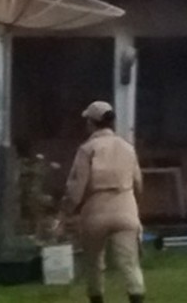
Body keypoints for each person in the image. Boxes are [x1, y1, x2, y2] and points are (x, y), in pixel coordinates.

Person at [63, 101, 145, 303]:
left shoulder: (87, 149)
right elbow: (138, 182)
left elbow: (76, 187)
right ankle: (136, 296)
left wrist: (66, 210)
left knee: (94, 263)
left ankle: (97, 297)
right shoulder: (128, 148)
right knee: (129, 264)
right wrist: (135, 206)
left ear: (91, 123)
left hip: (95, 210)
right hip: (126, 209)